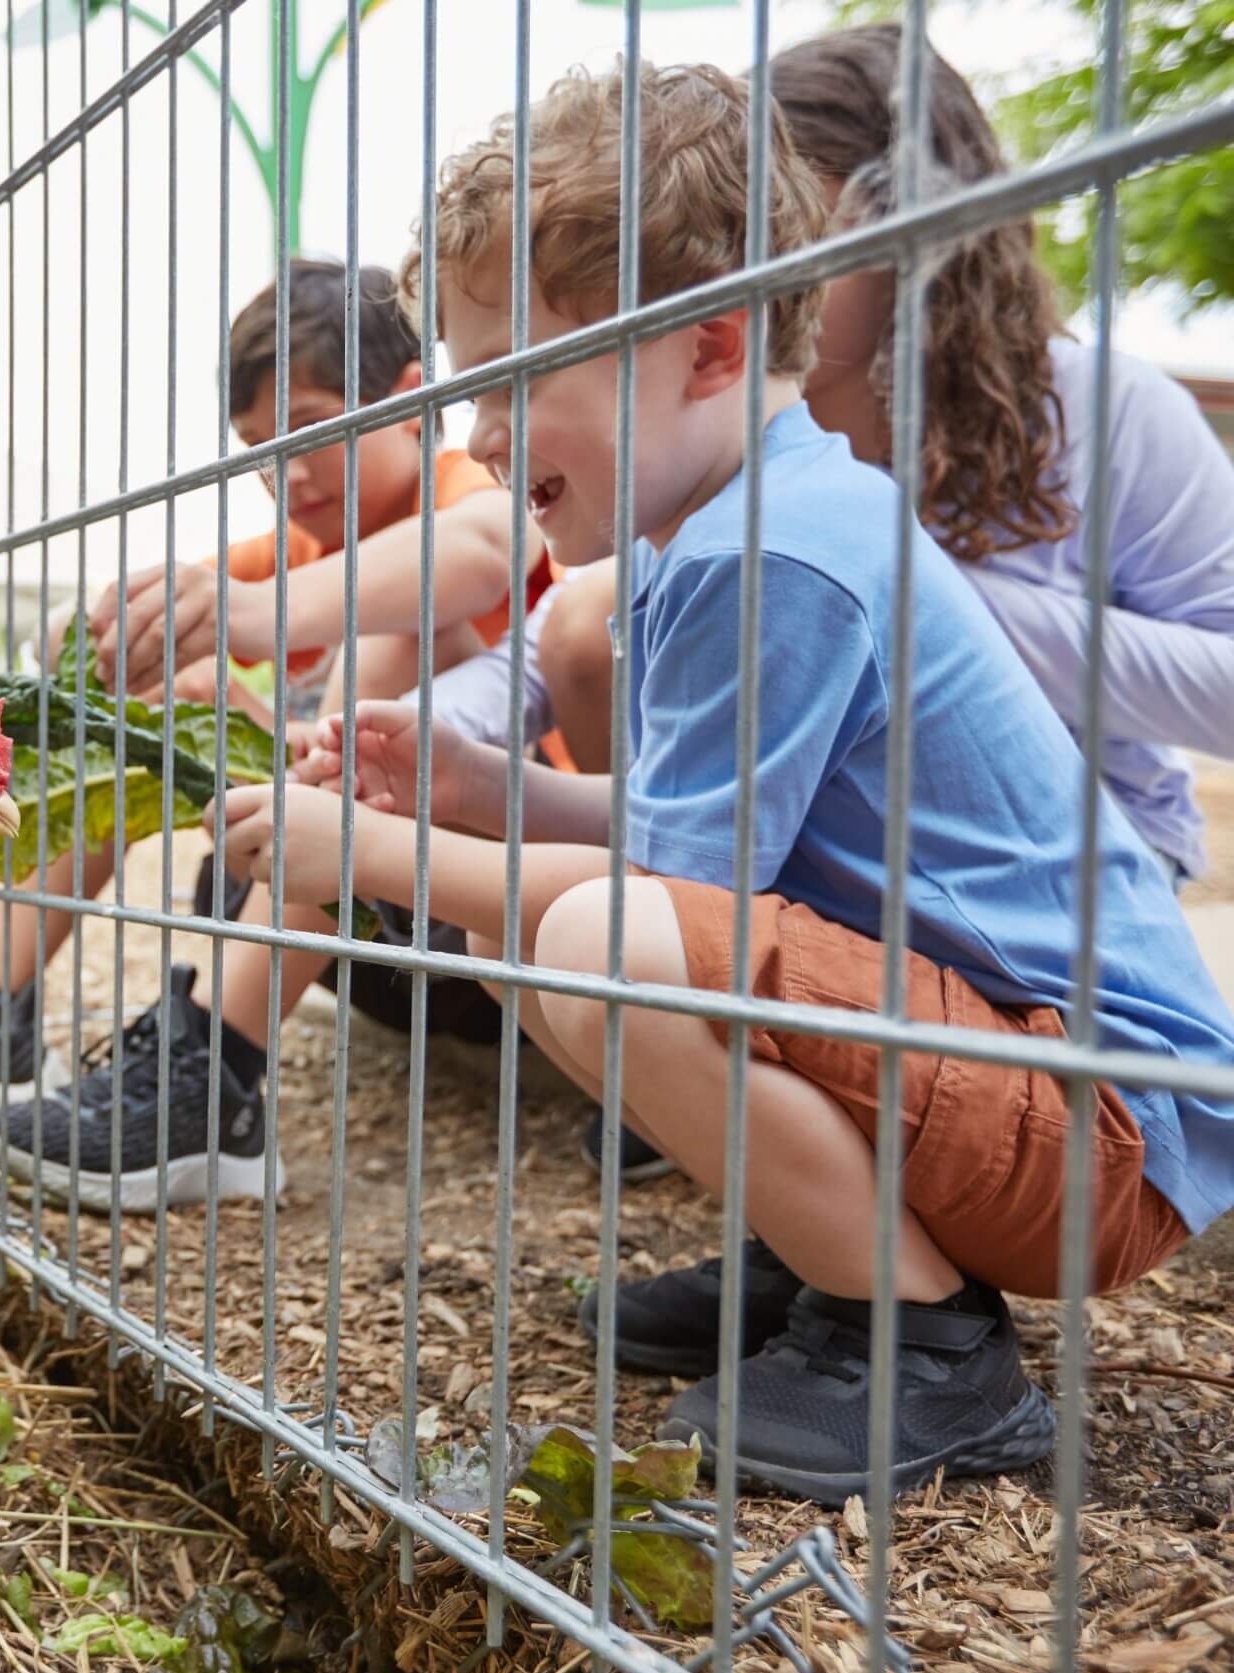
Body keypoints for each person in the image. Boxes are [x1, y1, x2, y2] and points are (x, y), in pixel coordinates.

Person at [224, 57, 1234, 1502]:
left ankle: (926, 1344)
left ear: (703, 349)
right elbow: (686, 846)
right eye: (464, 386)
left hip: (1105, 1122)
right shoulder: (735, 527)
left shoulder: (777, 551)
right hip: (1019, 1077)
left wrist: (366, 857)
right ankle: (826, 1262)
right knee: (551, 929)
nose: (481, 437)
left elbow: (668, 905)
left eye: (515, 375)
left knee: (583, 939)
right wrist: (482, 785)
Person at [447, 23, 1234, 1191]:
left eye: (784, 222)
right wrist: (447, 751)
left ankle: (829, 1197)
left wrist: (924, 606)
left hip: (1046, 896)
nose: (748, 255)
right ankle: (775, 1168)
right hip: (833, 868)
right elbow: (556, 625)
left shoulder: (1086, 414)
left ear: (908, 219)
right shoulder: (711, 445)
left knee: (629, 924)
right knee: (587, 656)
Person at [0, 259, 552, 1212]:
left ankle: (217, 1072)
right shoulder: (305, 550)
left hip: (510, 923)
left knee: (397, 626)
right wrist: (126, 636)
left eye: (314, 429)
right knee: (168, 688)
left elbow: (488, 552)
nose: (290, 472)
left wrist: (249, 612)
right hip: (365, 916)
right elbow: (117, 622)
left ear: (412, 402)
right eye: (258, 447)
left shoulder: (470, 487)